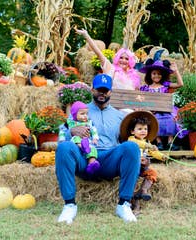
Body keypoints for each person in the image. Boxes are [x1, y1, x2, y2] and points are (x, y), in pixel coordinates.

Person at [56, 74, 141, 224]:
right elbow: (62, 134)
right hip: (83, 157)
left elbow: (126, 145)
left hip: (109, 160)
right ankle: (69, 205)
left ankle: (124, 204)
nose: (102, 93)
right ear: (92, 90)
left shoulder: (119, 116)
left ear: (110, 92)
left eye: (105, 90)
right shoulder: (79, 111)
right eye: (98, 90)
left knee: (132, 147)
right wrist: (72, 132)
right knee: (64, 147)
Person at [119, 110, 167, 214]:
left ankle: (143, 190)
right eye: (139, 129)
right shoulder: (131, 139)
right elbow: (138, 144)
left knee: (152, 174)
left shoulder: (147, 142)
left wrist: (162, 156)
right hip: (132, 167)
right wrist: (148, 146)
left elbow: (153, 152)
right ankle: (134, 206)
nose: (143, 131)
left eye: (145, 129)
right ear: (132, 131)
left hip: (142, 167)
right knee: (133, 182)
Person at [138, 59, 184, 150]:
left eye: (159, 74)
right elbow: (142, 101)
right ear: (150, 75)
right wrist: (147, 109)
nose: (157, 76)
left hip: (166, 110)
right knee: (154, 120)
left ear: (162, 75)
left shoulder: (165, 85)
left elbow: (180, 84)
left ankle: (170, 142)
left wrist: (176, 71)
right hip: (153, 111)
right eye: (154, 73)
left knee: (171, 119)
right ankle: (158, 142)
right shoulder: (145, 88)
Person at [76, 28, 141, 90]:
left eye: (126, 59)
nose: (123, 60)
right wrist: (86, 36)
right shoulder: (111, 68)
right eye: (121, 58)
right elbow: (98, 53)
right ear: (117, 58)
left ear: (130, 61)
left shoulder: (133, 75)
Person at [58, 101, 100, 175]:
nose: (85, 116)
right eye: (82, 114)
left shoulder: (89, 123)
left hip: (87, 141)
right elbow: (62, 131)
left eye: (86, 114)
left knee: (93, 149)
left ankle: (92, 164)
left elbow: (94, 130)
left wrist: (95, 138)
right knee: (76, 138)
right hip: (76, 142)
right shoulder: (69, 123)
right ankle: (82, 146)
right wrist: (62, 140)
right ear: (74, 114)